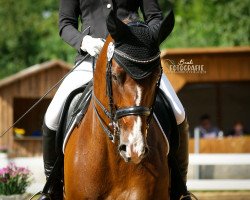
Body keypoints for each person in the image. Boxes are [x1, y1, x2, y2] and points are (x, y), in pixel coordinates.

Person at [42, 0, 190, 199]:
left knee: (178, 112)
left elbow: (155, 18)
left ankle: (180, 190)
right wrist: (84, 41)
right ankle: (52, 190)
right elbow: (65, 24)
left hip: (134, 60)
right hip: (91, 59)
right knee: (52, 115)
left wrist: (141, 37)